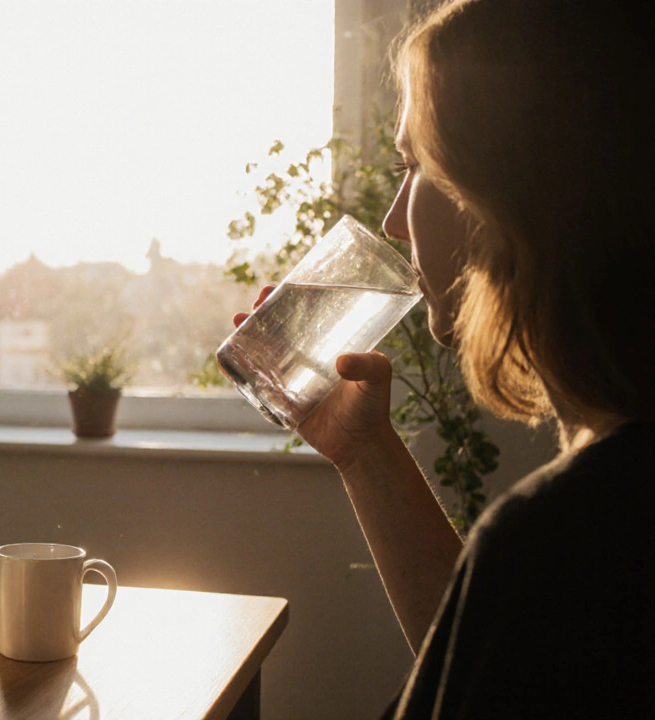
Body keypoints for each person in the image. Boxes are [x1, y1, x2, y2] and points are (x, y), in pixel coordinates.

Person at [234, 1, 654, 716]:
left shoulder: (562, 536)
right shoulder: (594, 522)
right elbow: (505, 662)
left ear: (507, 197)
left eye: (415, 166)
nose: (394, 220)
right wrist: (366, 453)